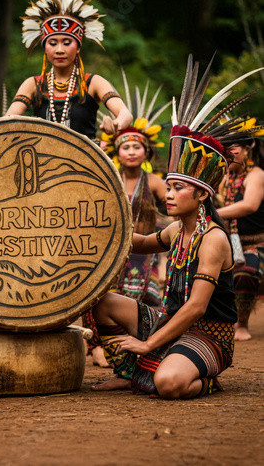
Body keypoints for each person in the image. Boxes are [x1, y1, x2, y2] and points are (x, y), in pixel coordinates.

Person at [89, 56, 262, 399]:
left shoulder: (212, 239)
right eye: (167, 187)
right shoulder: (175, 231)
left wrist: (148, 343)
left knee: (169, 385)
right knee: (103, 302)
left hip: (207, 334)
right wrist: (102, 224)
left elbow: (197, 308)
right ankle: (127, 373)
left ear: (201, 194)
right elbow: (136, 243)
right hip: (169, 321)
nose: (168, 195)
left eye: (177, 188)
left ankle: (193, 373)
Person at [82, 75, 170, 366]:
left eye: (136, 147)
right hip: (111, 252)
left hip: (145, 255)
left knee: (152, 299)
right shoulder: (109, 179)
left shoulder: (156, 182)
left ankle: (148, 349)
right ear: (117, 153)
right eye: (125, 147)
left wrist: (165, 257)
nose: (131, 151)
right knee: (97, 299)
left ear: (147, 151)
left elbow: (174, 216)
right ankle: (100, 348)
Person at [5, 0, 133, 138]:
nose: (59, 50)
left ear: (78, 47)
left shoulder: (93, 83)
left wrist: (117, 123)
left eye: (67, 43)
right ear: (45, 48)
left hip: (86, 163)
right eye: (52, 43)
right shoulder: (33, 85)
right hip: (41, 162)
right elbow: (7, 121)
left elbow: (126, 114)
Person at [217, 117, 264, 341]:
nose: (228, 152)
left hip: (258, 242)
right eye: (224, 148)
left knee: (246, 270)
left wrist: (215, 213)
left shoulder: (257, 175)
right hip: (229, 241)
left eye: (233, 148)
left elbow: (249, 205)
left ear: (247, 149)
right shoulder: (225, 177)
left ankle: (242, 323)